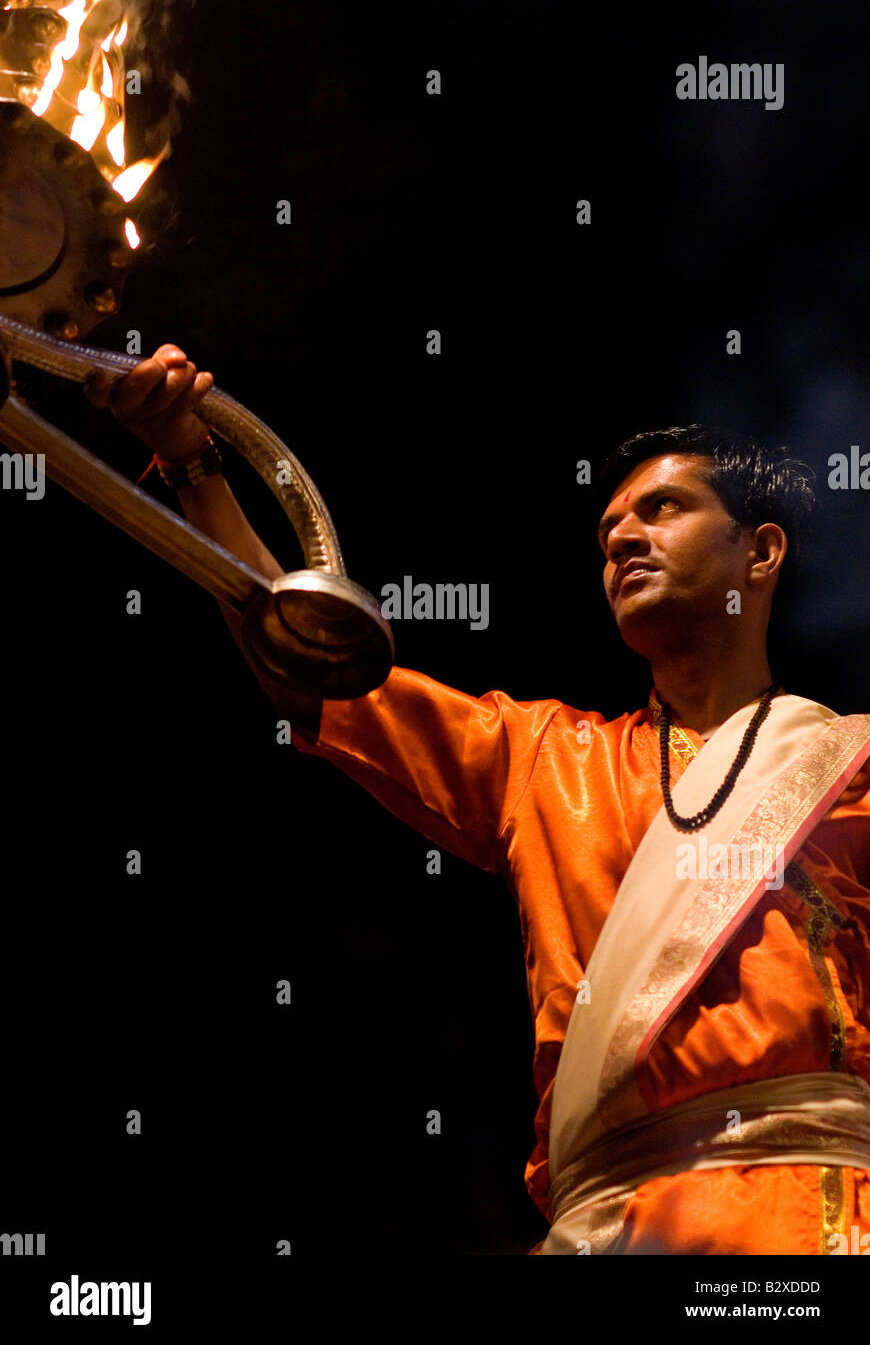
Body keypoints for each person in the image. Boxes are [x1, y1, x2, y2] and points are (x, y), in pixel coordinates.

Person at [85, 345, 870, 1256]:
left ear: (760, 552)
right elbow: (312, 664)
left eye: (663, 509)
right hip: (610, 1233)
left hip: (821, 1224)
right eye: (609, 528)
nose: (620, 539)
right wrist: (193, 461)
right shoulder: (543, 757)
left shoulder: (854, 766)